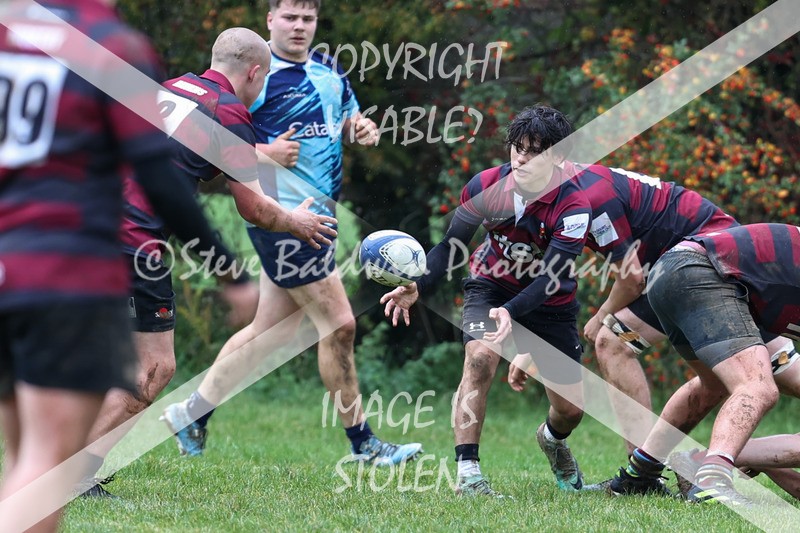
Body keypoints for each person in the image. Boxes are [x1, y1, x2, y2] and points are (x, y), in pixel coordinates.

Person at [0, 1, 258, 530]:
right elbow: (160, 178)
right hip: (67, 259)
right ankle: (81, 474)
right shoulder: (112, 48)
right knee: (51, 458)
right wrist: (230, 272)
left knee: (26, 454)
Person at [76, 27, 339, 498]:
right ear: (255, 72)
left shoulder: (171, 89)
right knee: (154, 367)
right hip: (134, 240)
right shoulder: (229, 111)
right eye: (263, 80)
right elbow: (254, 208)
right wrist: (297, 222)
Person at [162, 0, 423, 466]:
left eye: (308, 19)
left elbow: (343, 118)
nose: (299, 27)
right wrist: (266, 151)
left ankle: (192, 413)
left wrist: (358, 128)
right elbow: (218, 140)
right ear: (269, 22)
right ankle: (364, 444)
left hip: (316, 215)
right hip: (281, 217)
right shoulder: (255, 73)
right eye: (290, 17)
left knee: (273, 331)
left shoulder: (329, 70)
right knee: (340, 325)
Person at [508, 162, 797, 459]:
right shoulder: (560, 194)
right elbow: (556, 278)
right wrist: (538, 341)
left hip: (705, 260)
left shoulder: (590, 196)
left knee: (612, 339)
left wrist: (599, 316)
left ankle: (645, 470)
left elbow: (632, 279)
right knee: (774, 370)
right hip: (690, 263)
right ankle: (658, 466)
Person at [382, 104, 592, 497]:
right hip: (490, 285)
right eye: (518, 148)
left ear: (558, 157)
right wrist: (418, 286)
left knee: (570, 410)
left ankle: (553, 440)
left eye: (536, 151)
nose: (523, 158)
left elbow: (551, 278)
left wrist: (512, 313)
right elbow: (451, 245)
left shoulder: (574, 205)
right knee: (479, 357)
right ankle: (469, 475)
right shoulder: (484, 186)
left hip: (550, 301)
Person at [607, 223, 800, 506]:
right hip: (706, 272)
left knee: (714, 385)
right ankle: (712, 480)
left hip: (674, 269)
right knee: (757, 386)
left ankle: (640, 473)